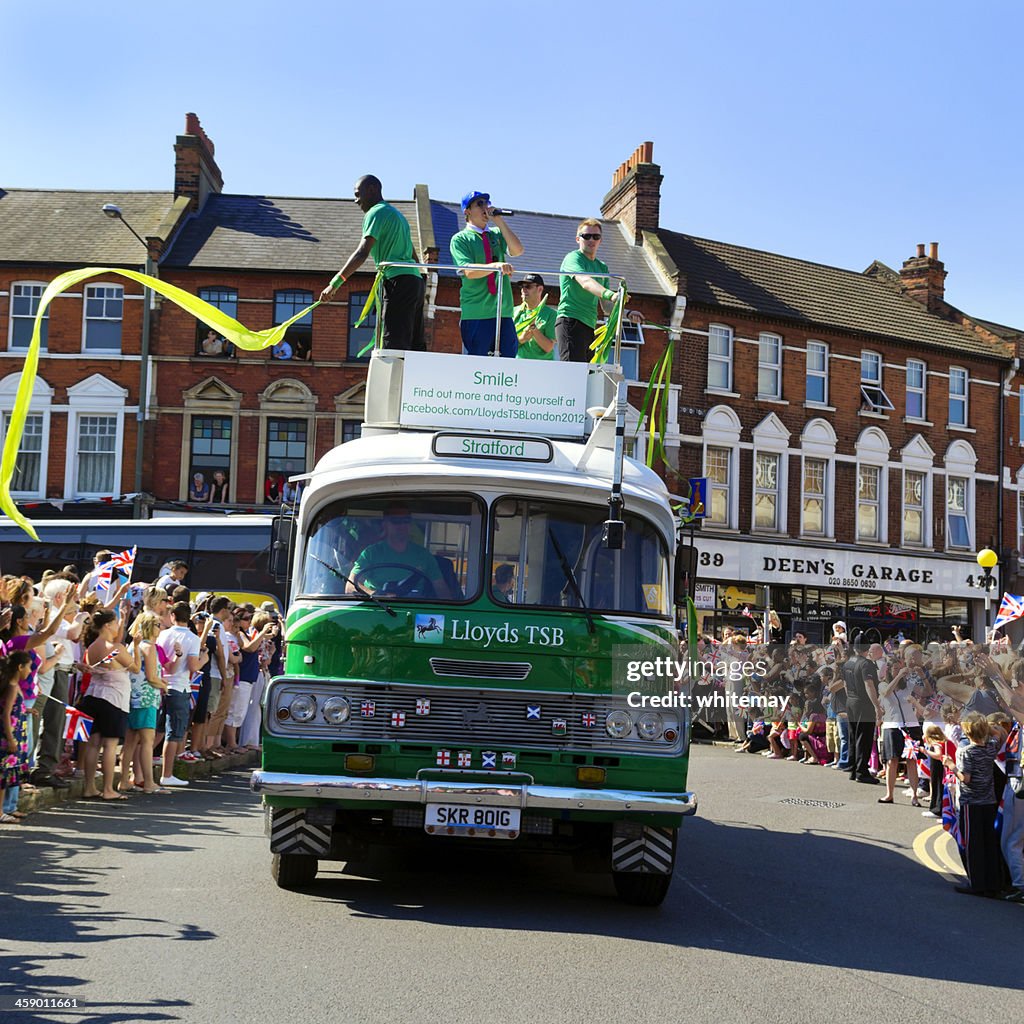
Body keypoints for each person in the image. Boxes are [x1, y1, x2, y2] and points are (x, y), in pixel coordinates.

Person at [320, 174, 426, 351]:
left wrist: (334, 284)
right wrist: (421, 284)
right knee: (414, 343)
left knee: (393, 342)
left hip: (397, 281)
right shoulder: (397, 215)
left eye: (357, 194)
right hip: (414, 282)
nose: (356, 200)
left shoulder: (376, 212)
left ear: (372, 190)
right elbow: (413, 255)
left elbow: (362, 253)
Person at [555, 218, 642, 363]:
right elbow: (586, 282)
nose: (591, 240)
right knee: (573, 373)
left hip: (589, 326)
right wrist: (611, 295)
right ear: (578, 239)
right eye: (586, 236)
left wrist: (627, 312)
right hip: (570, 321)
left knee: (587, 376)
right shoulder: (573, 258)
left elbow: (606, 307)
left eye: (596, 236)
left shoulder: (602, 267)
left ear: (600, 240)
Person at [450, 190, 524, 358]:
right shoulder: (460, 239)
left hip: (503, 312)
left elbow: (518, 250)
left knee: (507, 362)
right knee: (479, 363)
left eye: (486, 203)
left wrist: (499, 221)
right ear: (467, 211)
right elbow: (468, 271)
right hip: (477, 312)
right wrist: (495, 266)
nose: (485, 207)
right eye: (479, 204)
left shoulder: (497, 234)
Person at [79, 608, 142, 801]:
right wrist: (137, 646)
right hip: (112, 698)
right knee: (110, 744)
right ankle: (108, 789)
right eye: (115, 623)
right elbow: (136, 668)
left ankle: (89, 787)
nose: (117, 627)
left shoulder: (92, 647)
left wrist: (122, 620)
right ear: (107, 625)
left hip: (93, 696)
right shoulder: (116, 648)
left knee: (93, 744)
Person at [944, 712, 1002, 896]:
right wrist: (985, 725)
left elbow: (965, 778)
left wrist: (951, 765)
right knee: (989, 843)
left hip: (971, 802)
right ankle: (993, 883)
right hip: (989, 801)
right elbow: (997, 735)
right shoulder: (991, 748)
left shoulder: (965, 752)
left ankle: (976, 883)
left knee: (973, 844)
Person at [348, 505, 450, 599]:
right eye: (396, 521)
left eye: (406, 521)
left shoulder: (424, 555)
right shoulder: (371, 553)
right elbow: (350, 587)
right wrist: (374, 595)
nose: (402, 525)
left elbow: (441, 589)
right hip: (378, 607)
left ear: (410, 525)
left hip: (415, 609)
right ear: (385, 525)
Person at [157, 602, 207, 788]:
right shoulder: (193, 638)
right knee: (174, 732)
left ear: (172, 616)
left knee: (159, 730)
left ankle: (141, 768)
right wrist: (205, 659)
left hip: (161, 683)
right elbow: (194, 667)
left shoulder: (163, 634)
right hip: (179, 685)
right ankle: (167, 774)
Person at [841, 633, 882, 784]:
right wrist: (876, 706)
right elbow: (869, 685)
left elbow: (845, 684)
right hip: (863, 703)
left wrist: (849, 699)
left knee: (853, 735)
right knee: (863, 738)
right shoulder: (866, 664)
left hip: (851, 701)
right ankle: (862, 771)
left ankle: (852, 768)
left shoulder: (847, 663)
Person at [0, 651, 35, 822]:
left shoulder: (12, 684)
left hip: (14, 732)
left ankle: (7, 808)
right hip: (9, 735)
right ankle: (1, 811)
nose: (30, 671)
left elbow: (12, 708)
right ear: (20, 667)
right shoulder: (12, 686)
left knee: (7, 774)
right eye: (28, 667)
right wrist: (11, 738)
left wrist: (26, 710)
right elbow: (6, 714)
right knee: (4, 774)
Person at [513, 274, 556, 360]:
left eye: (528, 286)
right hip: (516, 366)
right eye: (522, 287)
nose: (523, 290)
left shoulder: (551, 314)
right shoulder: (513, 312)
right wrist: (522, 339)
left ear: (540, 289)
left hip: (542, 367)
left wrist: (534, 330)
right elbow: (505, 344)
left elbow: (548, 347)